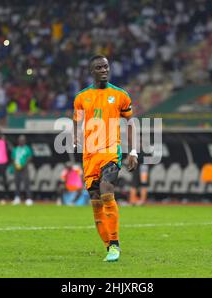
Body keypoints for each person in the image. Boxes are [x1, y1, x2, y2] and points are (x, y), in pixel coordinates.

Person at [73, 55, 138, 262]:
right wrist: (75, 137)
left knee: (107, 191)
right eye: (99, 67)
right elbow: (76, 120)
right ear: (91, 71)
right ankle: (109, 246)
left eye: (106, 67)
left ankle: (115, 244)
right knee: (95, 202)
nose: (104, 70)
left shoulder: (120, 95)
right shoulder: (82, 97)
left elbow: (131, 123)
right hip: (90, 155)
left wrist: (133, 151)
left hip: (111, 151)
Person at [11, 135, 33, 205]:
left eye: (23, 140)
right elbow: (13, 158)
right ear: (18, 141)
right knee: (17, 184)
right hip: (16, 168)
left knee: (26, 184)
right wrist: (15, 164)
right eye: (20, 140)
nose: (21, 141)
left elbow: (29, 157)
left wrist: (23, 165)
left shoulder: (27, 149)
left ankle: (29, 199)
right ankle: (17, 198)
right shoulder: (16, 149)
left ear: (25, 141)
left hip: (24, 168)